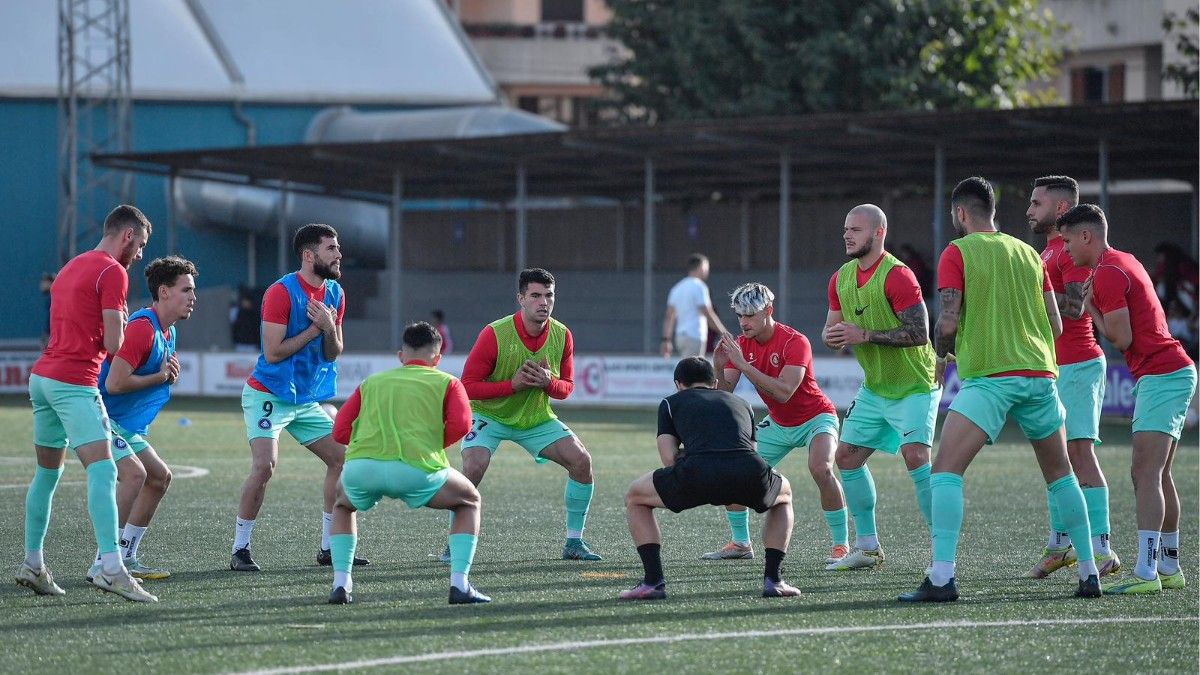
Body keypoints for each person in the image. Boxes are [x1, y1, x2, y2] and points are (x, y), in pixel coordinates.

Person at [898, 177, 1100, 603]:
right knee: (1062, 475)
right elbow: (1058, 324)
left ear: (961, 214)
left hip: (990, 377)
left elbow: (948, 321)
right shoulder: (1029, 254)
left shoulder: (958, 251)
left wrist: (940, 356)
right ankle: (1088, 572)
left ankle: (941, 578)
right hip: (1040, 376)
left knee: (945, 471)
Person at [16, 204, 157, 602]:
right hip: (74, 382)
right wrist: (125, 323)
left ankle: (33, 563)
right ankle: (111, 567)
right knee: (104, 470)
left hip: (42, 379)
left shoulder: (72, 266)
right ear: (127, 235)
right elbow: (114, 345)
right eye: (141, 244)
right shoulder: (113, 271)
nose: (140, 254)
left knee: (47, 475)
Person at [1058, 203, 1197, 594]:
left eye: (1069, 241)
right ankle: (1169, 567)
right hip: (1171, 370)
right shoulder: (1123, 261)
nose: (1066, 249)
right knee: (1159, 473)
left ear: (1087, 236)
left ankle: (1147, 572)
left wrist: (1090, 310)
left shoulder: (1106, 272)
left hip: (1162, 373)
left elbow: (1122, 339)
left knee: (1144, 474)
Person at [230, 224, 368, 572]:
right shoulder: (281, 292)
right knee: (265, 466)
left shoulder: (335, 293)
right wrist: (314, 328)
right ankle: (240, 549)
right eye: (331, 249)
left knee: (342, 460)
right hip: (269, 394)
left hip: (305, 400)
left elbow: (334, 351)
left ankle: (328, 547)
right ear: (309, 256)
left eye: (338, 248)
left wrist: (327, 328)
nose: (339, 255)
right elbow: (273, 353)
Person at [326, 322, 489, 605]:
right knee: (469, 501)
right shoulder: (448, 382)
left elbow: (340, 431)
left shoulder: (371, 382)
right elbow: (462, 425)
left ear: (401, 356)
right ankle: (459, 585)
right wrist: (430, 445)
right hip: (417, 470)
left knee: (342, 505)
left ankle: (341, 584)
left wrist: (368, 447)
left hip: (363, 468)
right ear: (437, 359)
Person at [619, 357, 800, 600]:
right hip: (748, 472)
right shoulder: (742, 402)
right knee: (784, 495)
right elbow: (751, 451)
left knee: (635, 497)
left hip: (697, 473)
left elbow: (669, 458)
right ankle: (774, 579)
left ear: (678, 384)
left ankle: (653, 581)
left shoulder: (671, 403)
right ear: (715, 383)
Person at [821, 204, 940, 571]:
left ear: (878, 233)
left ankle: (942, 549)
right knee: (846, 458)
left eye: (855, 229)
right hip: (876, 386)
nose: (847, 235)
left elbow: (920, 333)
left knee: (916, 457)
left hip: (915, 384)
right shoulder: (840, 278)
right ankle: (868, 546)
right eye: (845, 229)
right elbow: (832, 330)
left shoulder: (899, 276)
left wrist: (864, 335)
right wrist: (833, 337)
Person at [455, 268, 600, 561]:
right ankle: (455, 543)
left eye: (549, 295)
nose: (543, 302)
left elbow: (566, 389)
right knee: (473, 467)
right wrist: (513, 385)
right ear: (521, 298)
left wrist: (548, 382)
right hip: (490, 416)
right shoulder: (494, 333)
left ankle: (574, 543)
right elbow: (467, 387)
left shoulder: (562, 335)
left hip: (535, 417)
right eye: (535, 295)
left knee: (582, 462)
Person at [707, 282, 849, 566]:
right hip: (779, 423)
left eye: (750, 315)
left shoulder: (795, 341)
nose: (743, 322)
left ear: (768, 311)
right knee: (733, 470)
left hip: (816, 417)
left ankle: (841, 546)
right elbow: (724, 396)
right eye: (740, 315)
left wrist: (744, 366)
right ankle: (741, 543)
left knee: (821, 468)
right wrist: (718, 366)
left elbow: (785, 391)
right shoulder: (741, 345)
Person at [1024, 175, 1120, 579]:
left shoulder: (1066, 253)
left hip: (1078, 364)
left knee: (1079, 454)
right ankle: (1060, 545)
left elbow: (1078, 308)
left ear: (1061, 209)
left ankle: (1102, 548)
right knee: (1056, 458)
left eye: (1036, 203)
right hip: (1055, 366)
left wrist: (1027, 298)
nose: (1028, 210)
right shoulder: (1047, 252)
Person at [84, 256, 196, 584]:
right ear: (164, 292)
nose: (193, 297)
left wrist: (165, 377)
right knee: (135, 476)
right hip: (103, 418)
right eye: (186, 289)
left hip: (125, 426)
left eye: (193, 290)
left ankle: (127, 555)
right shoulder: (142, 328)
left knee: (159, 478)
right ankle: (104, 563)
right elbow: (114, 384)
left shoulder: (168, 331)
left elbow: (156, 377)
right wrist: (161, 377)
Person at [662, 253, 728, 358]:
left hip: (680, 337)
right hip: (694, 335)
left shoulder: (677, 288)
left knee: (687, 369)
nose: (707, 271)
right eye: (706, 267)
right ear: (701, 267)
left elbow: (669, 317)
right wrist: (723, 332)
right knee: (694, 371)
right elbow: (708, 313)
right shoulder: (700, 287)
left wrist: (666, 340)